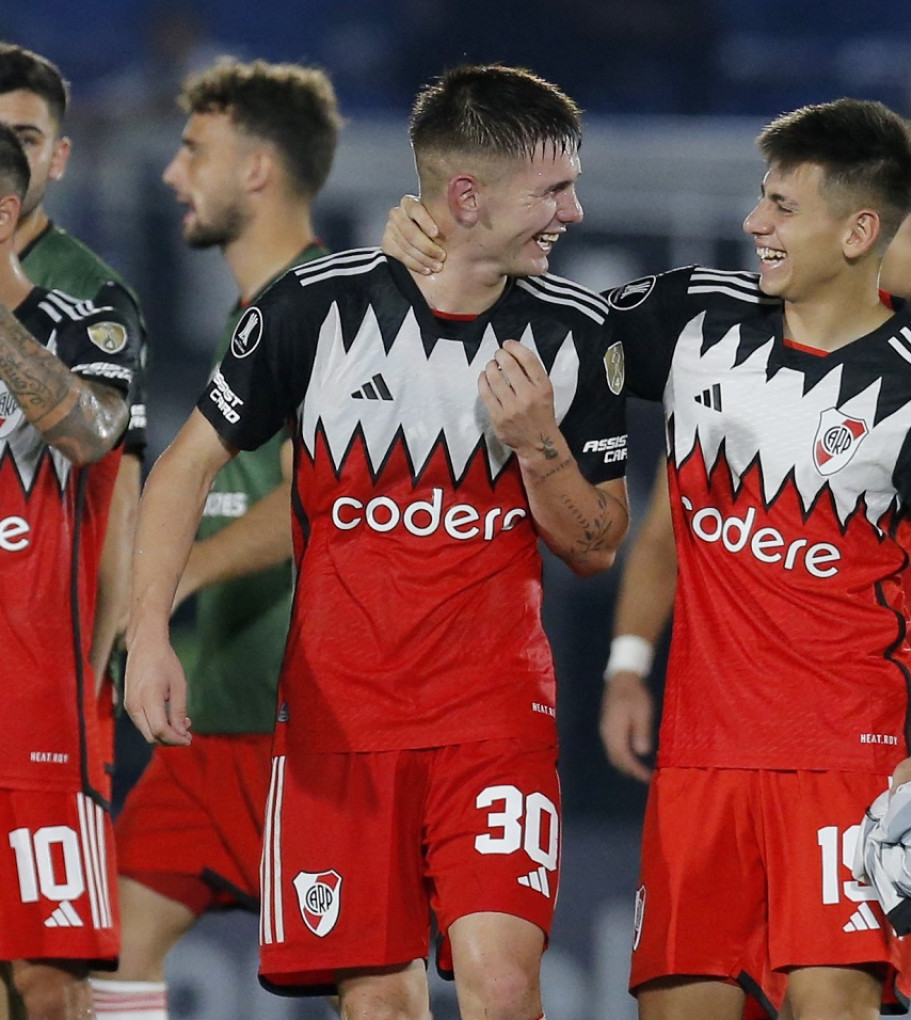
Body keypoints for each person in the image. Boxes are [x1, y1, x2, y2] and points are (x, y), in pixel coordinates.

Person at [382, 101, 911, 1017]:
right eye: (760, 201)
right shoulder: (691, 316)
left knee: (829, 1006)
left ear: (858, 230)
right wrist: (435, 243)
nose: (756, 224)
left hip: (845, 764)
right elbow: (537, 323)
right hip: (699, 767)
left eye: (783, 209)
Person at [124, 64, 629, 1020]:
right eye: (554, 188)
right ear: (468, 196)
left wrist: (539, 448)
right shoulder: (315, 307)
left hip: (494, 724)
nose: (575, 208)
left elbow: (597, 542)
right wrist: (151, 636)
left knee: (503, 978)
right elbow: (184, 464)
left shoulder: (577, 332)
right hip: (336, 734)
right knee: (377, 1003)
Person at [599, 186, 911, 770]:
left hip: (888, 730)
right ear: (864, 239)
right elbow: (665, 532)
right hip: (725, 735)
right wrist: (628, 663)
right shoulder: (730, 358)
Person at [86, 58, 340, 1020]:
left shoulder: (329, 311)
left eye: (195, 150)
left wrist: (175, 580)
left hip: (310, 734)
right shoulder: (250, 315)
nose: (171, 173)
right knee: (111, 946)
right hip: (214, 729)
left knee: (379, 987)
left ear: (260, 171)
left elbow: (314, 499)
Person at [0, 43, 150, 1020]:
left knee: (53, 983)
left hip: (29, 727)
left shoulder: (89, 326)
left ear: (1, 216)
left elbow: (91, 433)